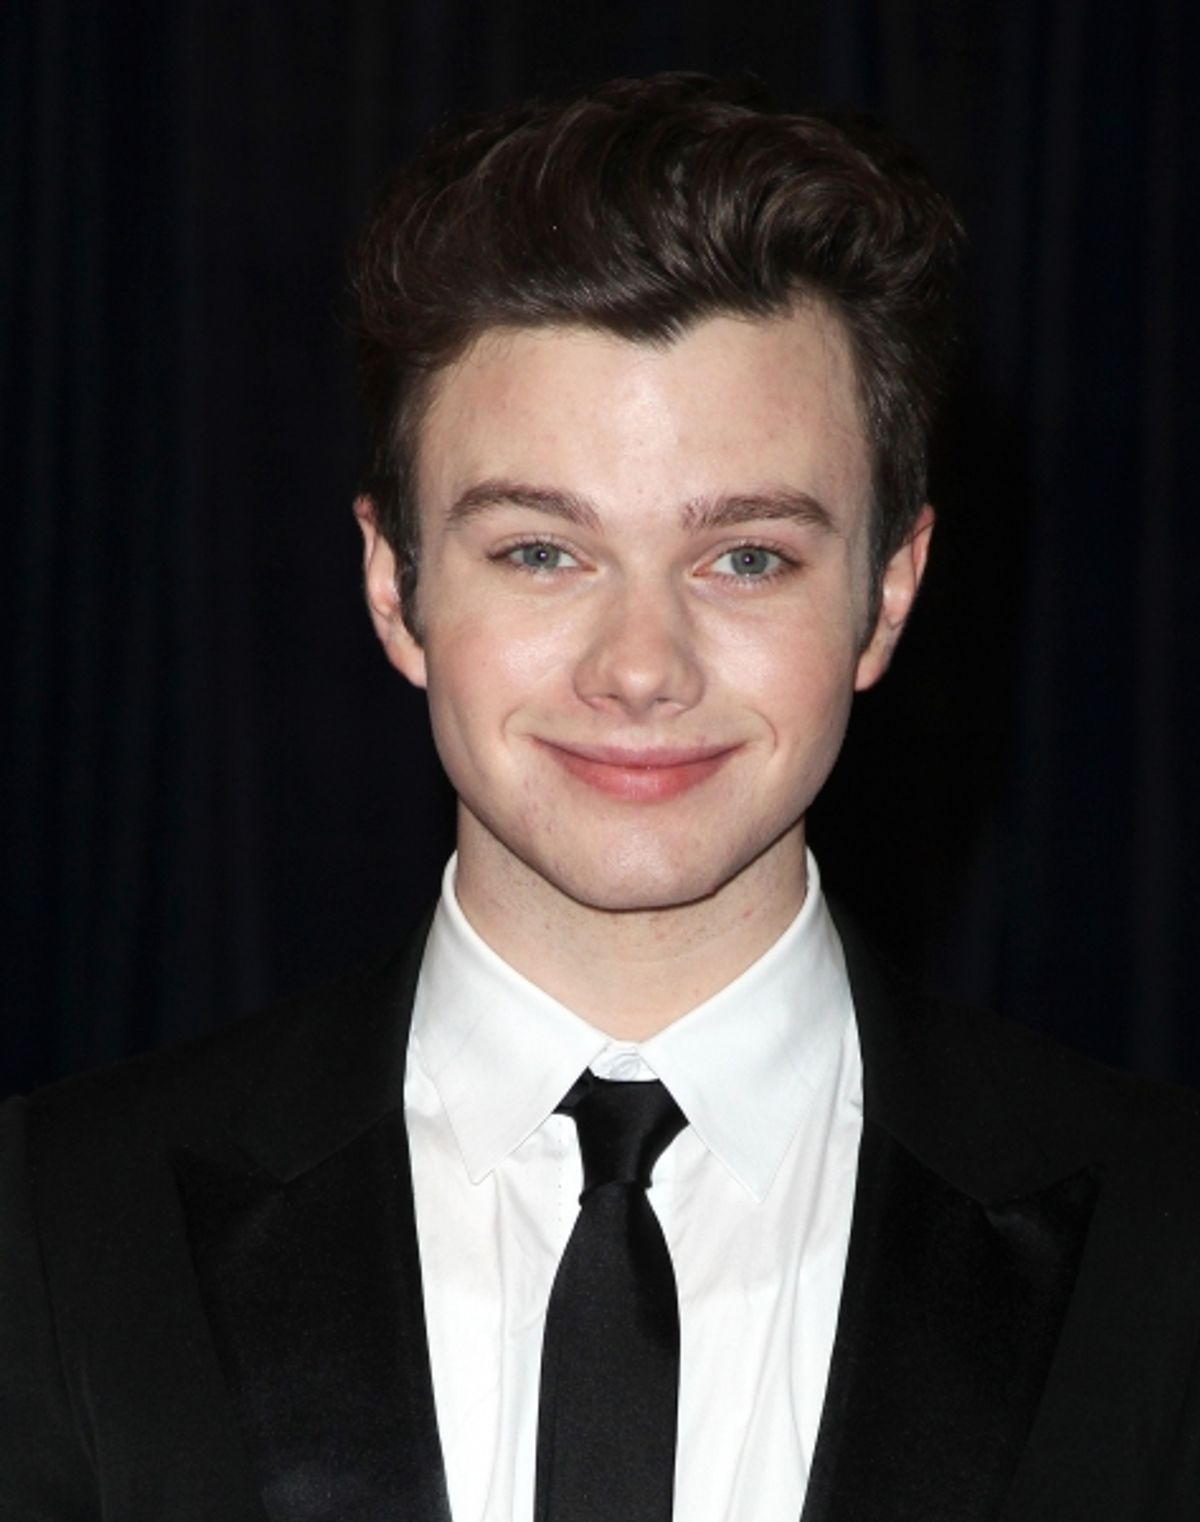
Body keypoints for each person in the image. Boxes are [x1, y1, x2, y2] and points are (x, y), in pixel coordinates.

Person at [2, 71, 1198, 1522]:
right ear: (396, 584)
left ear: (888, 593)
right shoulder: (53, 1232)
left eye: (745, 556)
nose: (642, 667)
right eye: (540, 552)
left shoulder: (1166, 1244)